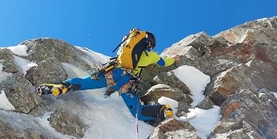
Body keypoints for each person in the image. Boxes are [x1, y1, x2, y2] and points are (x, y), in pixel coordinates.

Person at [37, 31, 180, 123]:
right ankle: (163, 111)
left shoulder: (125, 49)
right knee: (138, 113)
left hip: (112, 72)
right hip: (127, 83)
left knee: (85, 83)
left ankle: (61, 87)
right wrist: (175, 58)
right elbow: (163, 62)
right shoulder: (151, 56)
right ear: (150, 44)